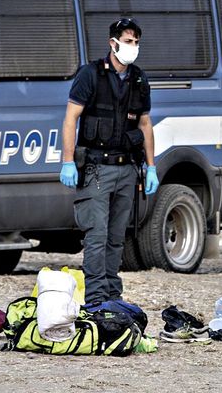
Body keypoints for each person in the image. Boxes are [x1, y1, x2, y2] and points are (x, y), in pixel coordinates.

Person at [60, 17, 158, 307]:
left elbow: (145, 124)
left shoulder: (139, 79)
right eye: (128, 42)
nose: (133, 47)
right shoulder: (90, 75)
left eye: (136, 43)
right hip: (96, 169)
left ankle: (112, 296)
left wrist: (151, 166)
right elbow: (70, 119)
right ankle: (95, 299)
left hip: (127, 168)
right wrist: (67, 161)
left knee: (117, 237)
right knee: (96, 235)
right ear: (113, 43)